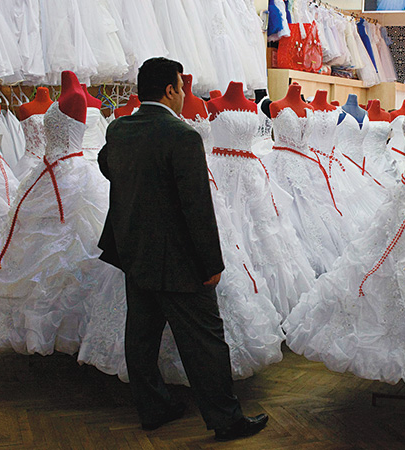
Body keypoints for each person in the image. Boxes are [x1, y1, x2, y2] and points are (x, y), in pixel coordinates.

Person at [97, 57, 268, 440]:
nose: (183, 94)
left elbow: (106, 165)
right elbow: (197, 208)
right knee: (205, 341)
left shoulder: (118, 129)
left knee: (141, 338)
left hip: (133, 250)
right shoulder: (182, 135)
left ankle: (153, 408)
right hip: (178, 260)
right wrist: (211, 263)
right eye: (181, 87)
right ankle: (226, 419)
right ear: (170, 90)